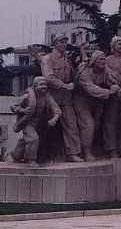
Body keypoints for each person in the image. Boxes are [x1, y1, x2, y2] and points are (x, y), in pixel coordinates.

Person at [73, 51, 121, 161]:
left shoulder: (105, 69)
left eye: (104, 59)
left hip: (96, 102)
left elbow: (113, 79)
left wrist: (115, 85)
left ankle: (93, 148)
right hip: (81, 100)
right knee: (88, 125)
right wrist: (109, 92)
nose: (103, 61)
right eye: (100, 59)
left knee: (96, 125)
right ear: (94, 61)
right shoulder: (85, 72)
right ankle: (87, 153)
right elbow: (91, 89)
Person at [40, 34, 82, 162]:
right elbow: (49, 77)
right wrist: (64, 85)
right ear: (55, 43)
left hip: (66, 97)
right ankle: (36, 154)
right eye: (61, 41)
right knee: (43, 126)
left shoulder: (67, 59)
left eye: (65, 41)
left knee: (71, 124)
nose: (64, 44)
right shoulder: (47, 59)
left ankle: (73, 153)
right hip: (50, 97)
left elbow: (73, 76)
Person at [10, 77, 61, 166]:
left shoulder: (47, 97)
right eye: (41, 84)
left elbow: (57, 110)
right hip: (27, 123)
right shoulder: (27, 96)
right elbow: (13, 107)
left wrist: (54, 119)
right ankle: (31, 160)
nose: (43, 87)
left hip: (40, 124)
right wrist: (23, 110)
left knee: (26, 140)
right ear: (35, 86)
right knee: (33, 139)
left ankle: (16, 155)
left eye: (45, 84)